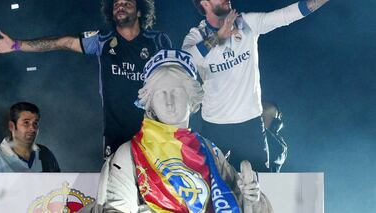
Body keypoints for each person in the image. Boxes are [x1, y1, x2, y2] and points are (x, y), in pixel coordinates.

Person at [0, 0, 172, 158]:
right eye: (116, 4)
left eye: (127, 3)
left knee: (153, 189)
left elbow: (173, 81)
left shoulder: (157, 41)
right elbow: (62, 42)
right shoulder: (102, 40)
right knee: (118, 190)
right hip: (117, 135)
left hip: (153, 130)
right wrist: (17, 45)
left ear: (139, 11)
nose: (120, 6)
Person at [86, 50, 273, 213]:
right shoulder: (131, 152)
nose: (169, 101)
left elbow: (238, 204)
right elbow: (116, 209)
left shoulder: (210, 152)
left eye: (176, 91)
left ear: (191, 98)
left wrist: (251, 198)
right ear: (150, 104)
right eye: (160, 94)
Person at [182, 0, 336, 171]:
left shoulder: (246, 23)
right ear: (205, 4)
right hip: (215, 126)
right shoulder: (196, 35)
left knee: (258, 191)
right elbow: (187, 59)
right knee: (213, 190)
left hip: (250, 125)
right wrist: (219, 37)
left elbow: (283, 16)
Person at [0, 102, 60, 172]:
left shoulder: (46, 155)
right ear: (11, 126)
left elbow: (59, 186)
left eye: (35, 123)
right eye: (26, 122)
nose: (32, 128)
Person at [262, 101, 287, 173]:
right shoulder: (247, 135)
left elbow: (277, 152)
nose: (264, 114)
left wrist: (260, 127)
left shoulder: (281, 144)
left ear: (276, 123)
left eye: (269, 115)